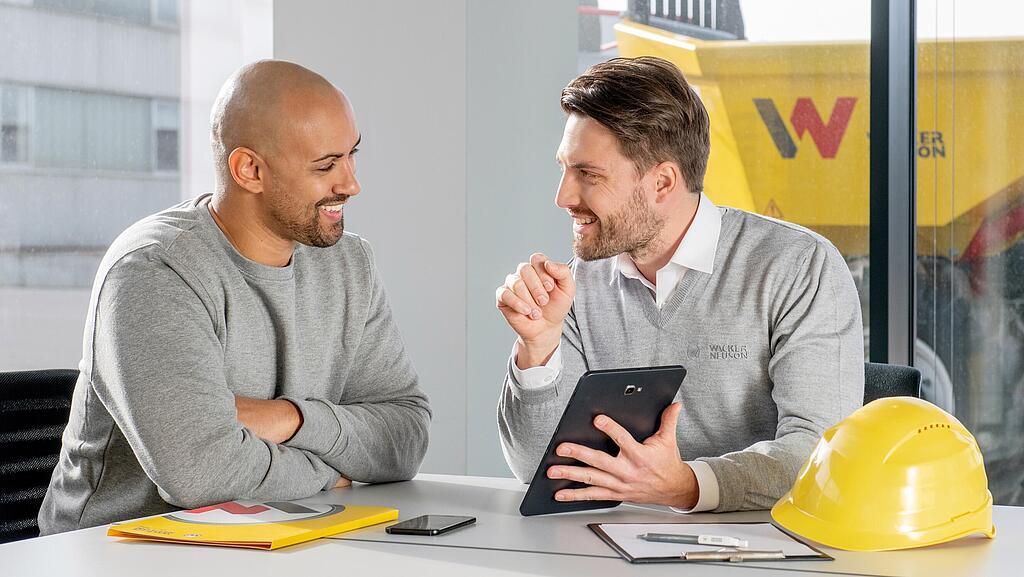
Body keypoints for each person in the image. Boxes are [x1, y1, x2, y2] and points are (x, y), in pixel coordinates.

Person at [39, 60, 431, 534]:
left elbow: (404, 437)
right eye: (326, 165)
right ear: (250, 169)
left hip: (277, 539)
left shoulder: (349, 263)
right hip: (122, 554)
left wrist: (289, 419)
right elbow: (204, 475)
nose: (351, 183)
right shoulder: (153, 270)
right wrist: (339, 473)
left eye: (352, 155)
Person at [495, 56, 863, 512]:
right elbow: (541, 470)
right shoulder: (579, 284)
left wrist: (690, 485)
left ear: (663, 181)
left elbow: (823, 455)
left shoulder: (798, 267)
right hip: (614, 548)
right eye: (565, 169)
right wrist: (539, 350)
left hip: (766, 551)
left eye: (587, 174)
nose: (563, 196)